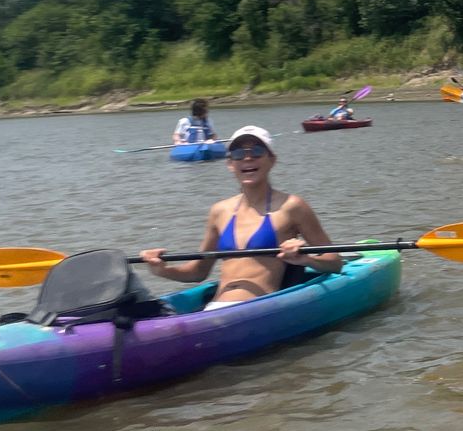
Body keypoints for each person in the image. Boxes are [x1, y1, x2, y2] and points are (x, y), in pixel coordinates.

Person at [138, 126, 345, 310]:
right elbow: (199, 272)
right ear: (230, 164)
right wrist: (162, 270)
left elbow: (335, 263)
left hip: (257, 309)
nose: (247, 158)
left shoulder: (292, 207)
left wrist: (305, 259)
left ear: (271, 159)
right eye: (238, 153)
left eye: (256, 151)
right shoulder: (219, 211)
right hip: (216, 308)